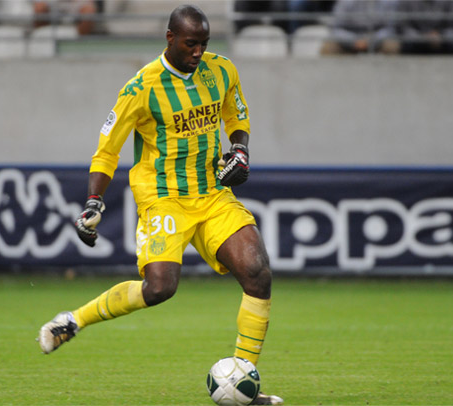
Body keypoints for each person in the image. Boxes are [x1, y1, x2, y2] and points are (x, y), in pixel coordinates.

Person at [38, 4, 283, 405]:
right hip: (163, 199)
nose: (199, 51)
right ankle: (73, 320)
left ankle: (244, 383)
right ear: (170, 38)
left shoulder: (222, 70)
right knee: (159, 288)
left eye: (204, 43)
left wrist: (240, 150)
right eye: (191, 43)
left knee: (257, 272)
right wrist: (94, 201)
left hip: (211, 193)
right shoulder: (140, 88)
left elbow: (236, 117)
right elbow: (107, 151)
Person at [321, 0, 401, 55]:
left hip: (376, 39)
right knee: (329, 47)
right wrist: (353, 40)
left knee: (392, 45)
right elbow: (336, 28)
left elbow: (390, 28)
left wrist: (371, 40)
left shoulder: (388, 2)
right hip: (350, 39)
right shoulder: (346, 2)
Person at [32, 0, 101, 35]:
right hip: (54, 3)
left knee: (89, 13)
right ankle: (39, 39)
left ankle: (79, 42)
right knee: (39, 8)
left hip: (76, 3)